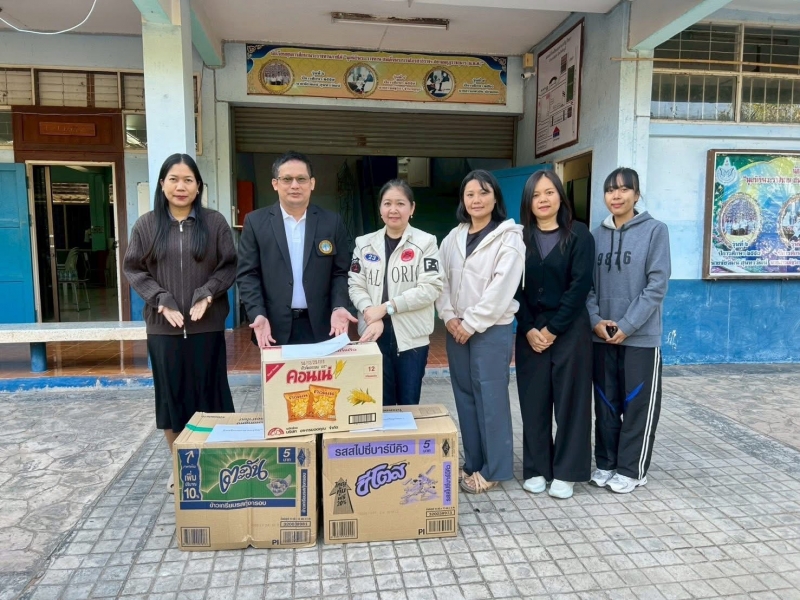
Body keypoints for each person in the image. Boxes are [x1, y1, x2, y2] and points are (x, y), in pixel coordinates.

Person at [123, 153, 237, 494]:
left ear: (198, 186)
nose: (181, 186)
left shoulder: (214, 223)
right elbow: (134, 269)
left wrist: (207, 293)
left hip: (206, 326)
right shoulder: (147, 225)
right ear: (162, 184)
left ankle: (218, 463)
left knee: (211, 397)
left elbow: (229, 265)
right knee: (172, 400)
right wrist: (160, 299)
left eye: (188, 180)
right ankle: (182, 466)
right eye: (173, 179)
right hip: (164, 330)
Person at [436, 170, 525, 494]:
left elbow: (502, 288)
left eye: (484, 193)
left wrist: (471, 323)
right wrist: (448, 316)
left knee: (491, 397)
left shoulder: (509, 237)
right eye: (470, 194)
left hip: (491, 329)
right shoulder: (453, 237)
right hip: (456, 328)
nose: (476, 199)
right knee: (465, 396)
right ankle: (474, 461)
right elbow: (440, 281)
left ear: (495, 198)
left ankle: (496, 468)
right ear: (463, 200)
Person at [587, 167, 671, 494]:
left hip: (640, 338)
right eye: (611, 190)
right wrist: (595, 320)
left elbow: (657, 284)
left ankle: (632, 470)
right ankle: (606, 464)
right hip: (602, 336)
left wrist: (628, 325)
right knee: (606, 404)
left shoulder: (655, 231)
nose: (616, 195)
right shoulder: (595, 235)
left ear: (636, 195)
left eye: (624, 189)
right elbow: (587, 287)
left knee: (637, 406)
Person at [514, 171, 595, 500]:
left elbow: (580, 285)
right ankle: (536, 468)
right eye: (536, 195)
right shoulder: (518, 238)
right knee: (533, 401)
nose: (543, 200)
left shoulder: (579, 234)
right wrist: (528, 327)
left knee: (571, 402)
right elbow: (510, 287)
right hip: (529, 330)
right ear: (528, 202)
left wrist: (553, 328)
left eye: (549, 192)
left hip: (570, 328)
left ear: (561, 196)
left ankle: (566, 472)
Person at [237, 151, 356, 346]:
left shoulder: (332, 222)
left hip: (324, 326)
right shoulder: (255, 222)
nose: (295, 185)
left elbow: (340, 272)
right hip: (272, 327)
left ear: (312, 183)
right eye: (287, 179)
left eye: (301, 179)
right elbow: (248, 274)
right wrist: (257, 313)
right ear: (275, 183)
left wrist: (339, 306)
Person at [348, 179, 443, 406]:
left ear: (412, 208)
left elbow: (431, 288)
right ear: (380, 208)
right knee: (378, 403)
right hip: (373, 333)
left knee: (408, 403)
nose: (393, 209)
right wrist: (371, 313)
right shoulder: (364, 244)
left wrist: (386, 308)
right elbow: (355, 284)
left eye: (400, 203)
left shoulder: (426, 242)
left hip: (411, 338)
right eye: (387, 203)